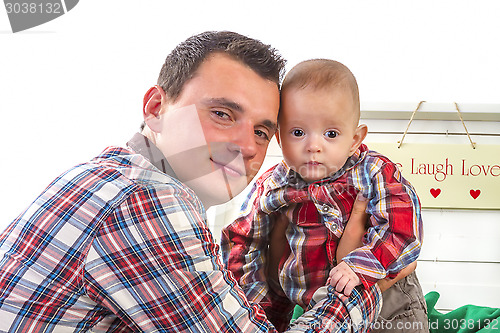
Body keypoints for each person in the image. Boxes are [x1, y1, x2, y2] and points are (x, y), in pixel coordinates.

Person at [0, 32, 381, 332]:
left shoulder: (104, 175)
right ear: (155, 109)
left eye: (263, 132)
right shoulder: (145, 202)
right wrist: (361, 277)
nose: (248, 147)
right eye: (222, 113)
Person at [221, 59, 429, 332]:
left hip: (388, 298)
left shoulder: (373, 172)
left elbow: (403, 229)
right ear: (280, 138)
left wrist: (358, 266)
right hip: (315, 308)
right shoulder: (273, 184)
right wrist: (258, 305)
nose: (313, 146)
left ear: (354, 139)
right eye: (298, 132)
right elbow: (243, 240)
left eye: (331, 133)